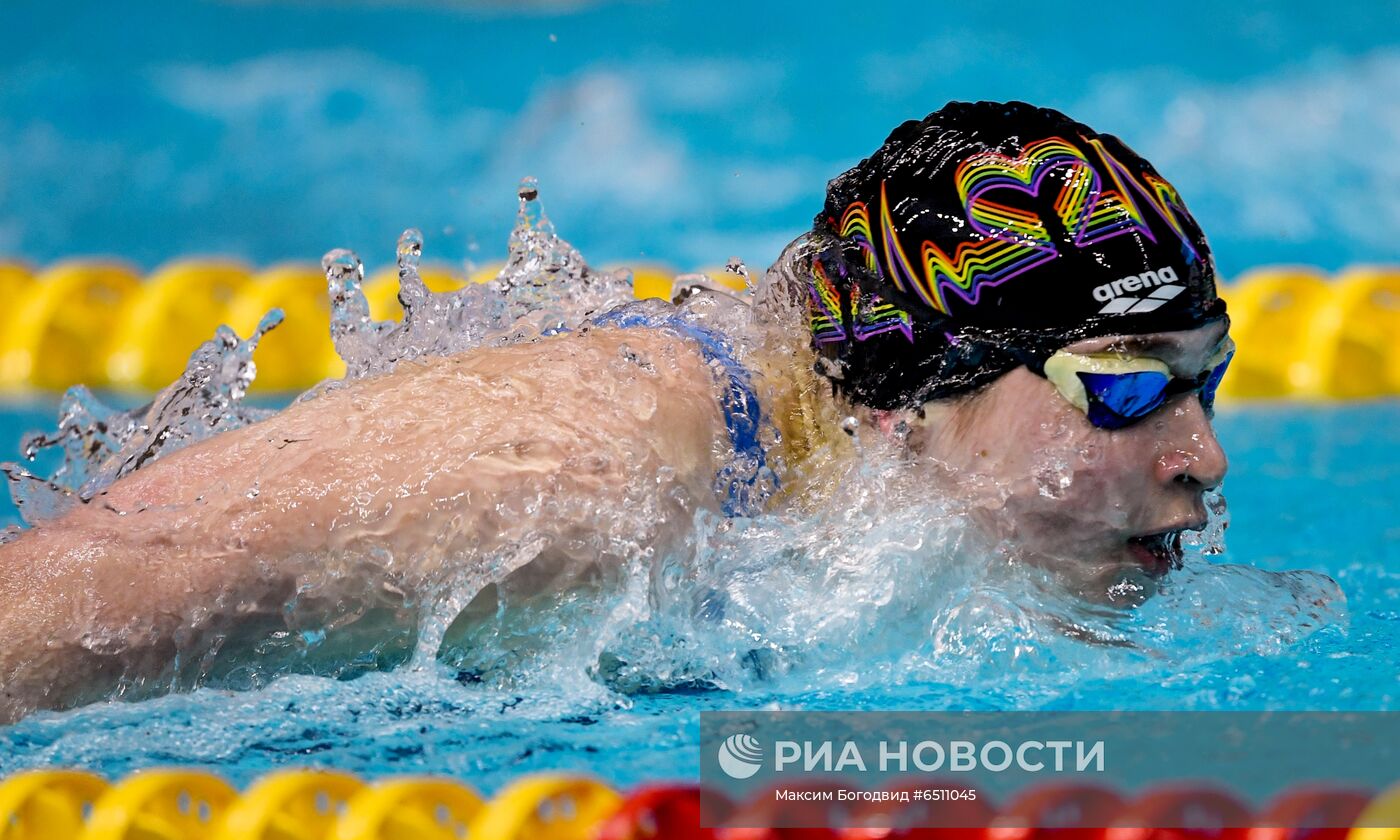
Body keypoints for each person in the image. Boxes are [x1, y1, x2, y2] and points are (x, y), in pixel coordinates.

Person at [0, 101, 1232, 721]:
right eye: (1124, 387)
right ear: (904, 399)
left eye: (1206, 378)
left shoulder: (844, 508)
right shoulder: (577, 485)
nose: (1205, 459)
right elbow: (58, 608)